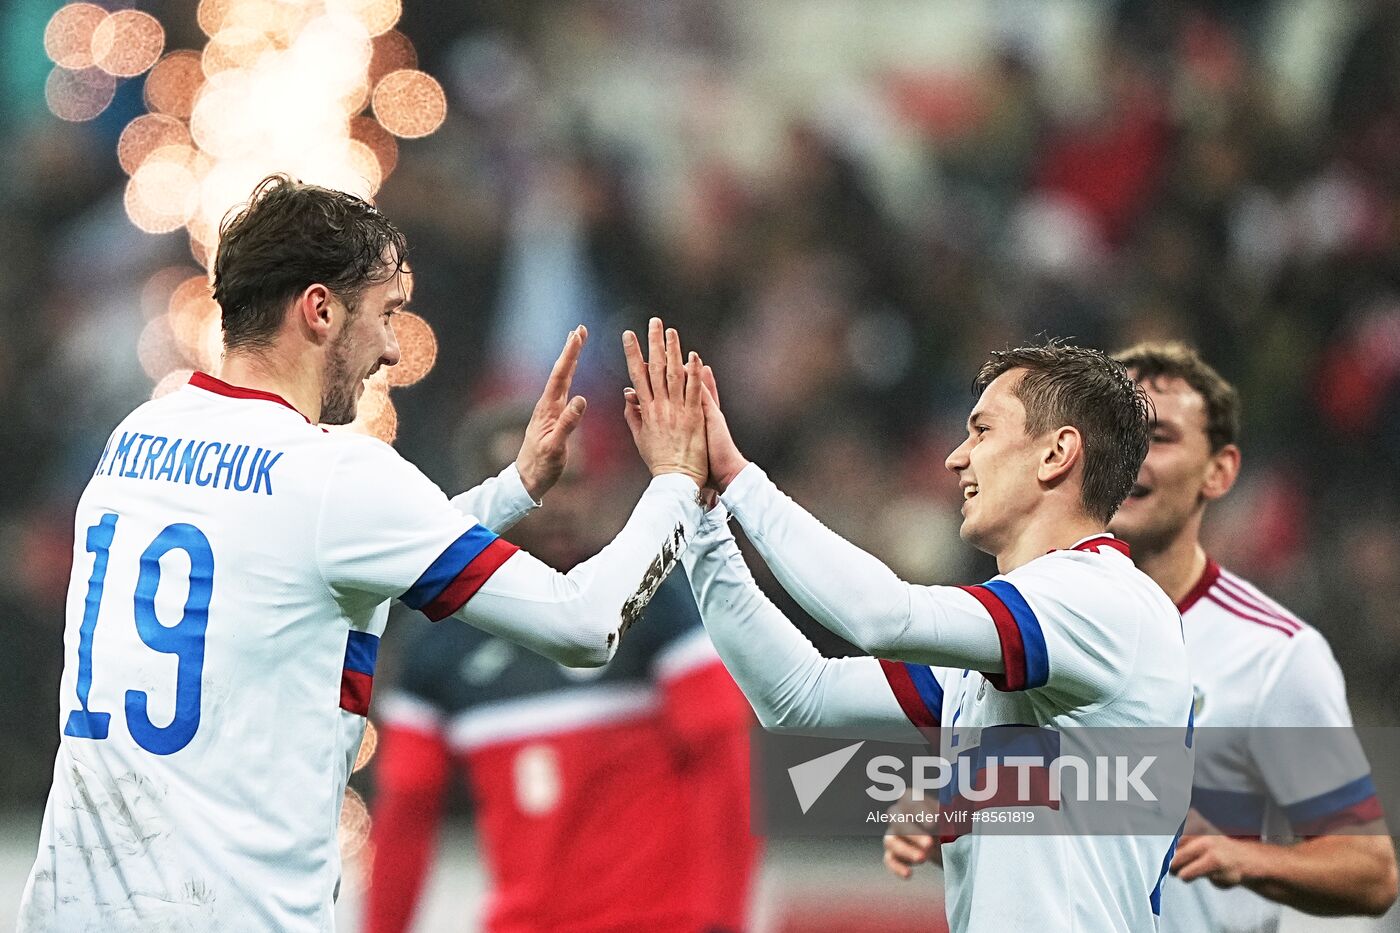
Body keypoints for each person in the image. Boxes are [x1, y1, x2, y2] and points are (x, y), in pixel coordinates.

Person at [18, 175, 710, 933]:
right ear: (319, 310)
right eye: (384, 314)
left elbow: (323, 554)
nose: (389, 347)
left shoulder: (138, 439)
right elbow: (585, 623)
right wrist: (676, 480)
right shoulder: (336, 477)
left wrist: (511, 492)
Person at [629, 336, 1195, 932]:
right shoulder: (998, 650)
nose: (957, 458)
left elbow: (883, 618)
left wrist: (741, 481)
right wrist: (699, 515)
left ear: (1056, 454)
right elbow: (801, 697)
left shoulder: (1104, 601)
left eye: (982, 431)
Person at [884, 342, 1398, 930]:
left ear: (1220, 471)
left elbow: (1370, 870)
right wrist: (950, 814)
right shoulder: (1025, 628)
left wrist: (1244, 856)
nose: (1133, 458)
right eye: (1120, 433)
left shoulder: (1273, 655)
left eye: (1161, 437)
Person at [365, 406, 756, 933]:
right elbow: (406, 816)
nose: (559, 505)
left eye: (572, 481)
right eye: (541, 482)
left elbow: (725, 757)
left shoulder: (650, 595)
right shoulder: (436, 644)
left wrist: (723, 920)